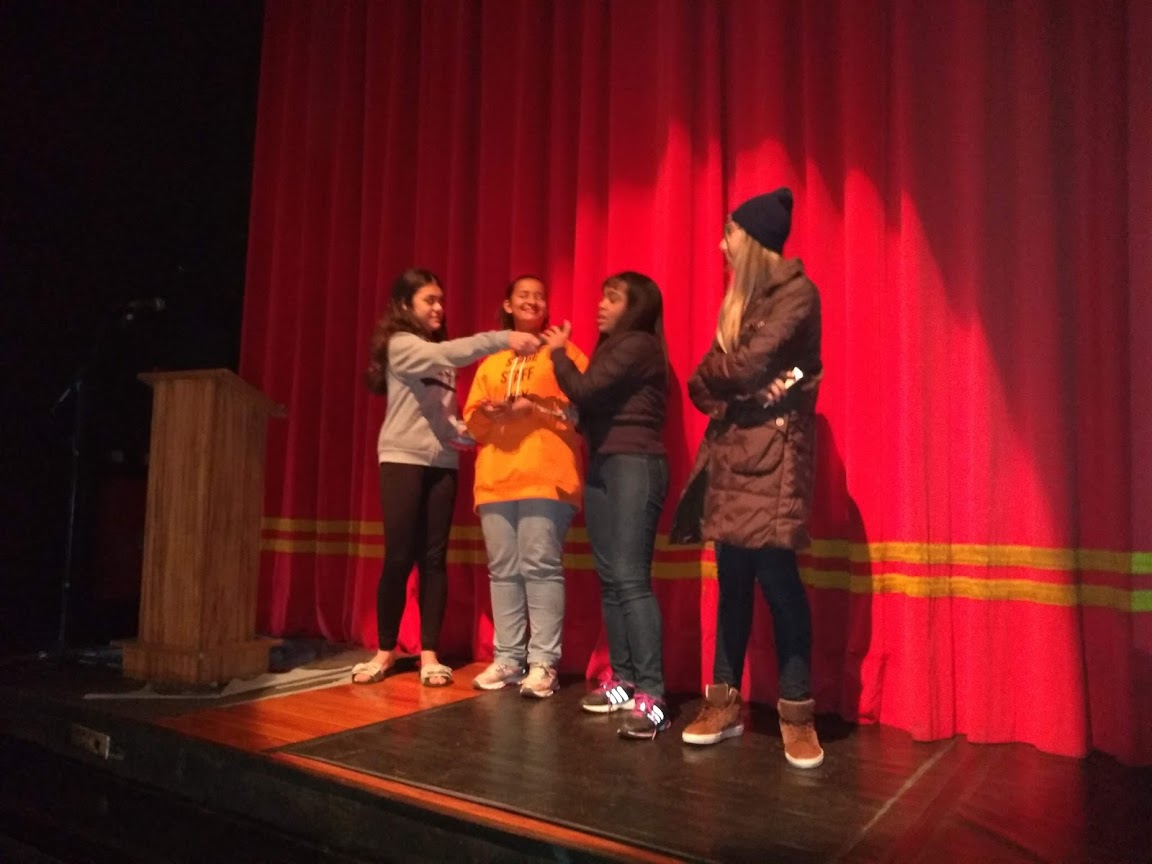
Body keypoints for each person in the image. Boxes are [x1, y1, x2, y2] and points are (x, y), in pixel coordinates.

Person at [670, 187, 825, 768]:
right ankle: (723, 704)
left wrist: (736, 378)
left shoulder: (797, 294)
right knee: (732, 584)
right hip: (733, 453)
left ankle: (796, 713)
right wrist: (739, 385)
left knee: (780, 585)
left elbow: (747, 365)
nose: (720, 244)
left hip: (775, 459)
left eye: (729, 232)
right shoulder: (740, 301)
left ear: (753, 238)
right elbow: (701, 380)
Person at [354, 268, 539, 687]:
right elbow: (453, 353)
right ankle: (384, 651)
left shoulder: (440, 357)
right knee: (400, 556)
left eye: (441, 300)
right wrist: (504, 338)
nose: (439, 308)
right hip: (403, 459)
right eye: (429, 300)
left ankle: (429, 654)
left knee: (434, 559)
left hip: (443, 463)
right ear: (405, 305)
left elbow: (443, 419)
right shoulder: (403, 345)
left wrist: (476, 429)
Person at [542, 272, 671, 739]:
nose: (601, 305)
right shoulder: (615, 348)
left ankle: (653, 696)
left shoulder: (637, 344)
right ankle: (625, 680)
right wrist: (577, 417)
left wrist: (558, 353)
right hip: (604, 462)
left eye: (612, 298)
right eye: (602, 296)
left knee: (631, 579)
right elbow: (594, 403)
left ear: (635, 307)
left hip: (634, 463)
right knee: (612, 579)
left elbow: (586, 388)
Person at [462, 275, 589, 698]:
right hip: (495, 479)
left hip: (545, 475)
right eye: (524, 295)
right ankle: (508, 659)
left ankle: (543, 663)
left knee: (539, 566)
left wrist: (535, 408)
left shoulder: (563, 352)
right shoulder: (492, 362)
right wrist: (492, 412)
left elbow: (583, 409)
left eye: (539, 296)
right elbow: (473, 424)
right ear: (508, 305)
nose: (533, 301)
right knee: (503, 571)